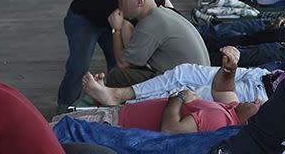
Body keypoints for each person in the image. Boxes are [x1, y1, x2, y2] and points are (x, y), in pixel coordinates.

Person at [84, 49, 285, 107]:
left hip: (262, 95)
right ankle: (120, 91)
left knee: (188, 89)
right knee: (183, 70)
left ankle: (118, 99)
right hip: (263, 77)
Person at [73, 47, 263, 133]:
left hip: (115, 124)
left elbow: (171, 129)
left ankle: (113, 95)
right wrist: (230, 68)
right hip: (119, 115)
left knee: (55, 133)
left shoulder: (220, 120)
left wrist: (178, 97)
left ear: (253, 121)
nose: (258, 100)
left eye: (260, 106)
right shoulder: (232, 111)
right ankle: (111, 96)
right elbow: (223, 90)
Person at [56, 0, 173, 114]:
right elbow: (126, 62)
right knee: (79, 66)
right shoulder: (131, 13)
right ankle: (64, 109)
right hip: (82, 16)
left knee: (115, 67)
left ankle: (111, 104)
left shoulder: (162, 3)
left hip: (108, 18)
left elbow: (174, 24)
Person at [105, 0, 210, 88]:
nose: (120, 5)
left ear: (140, 2)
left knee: (116, 76)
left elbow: (123, 64)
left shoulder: (149, 24)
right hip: (199, 80)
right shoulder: (164, 13)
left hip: (187, 86)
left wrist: (116, 30)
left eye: (123, 1)